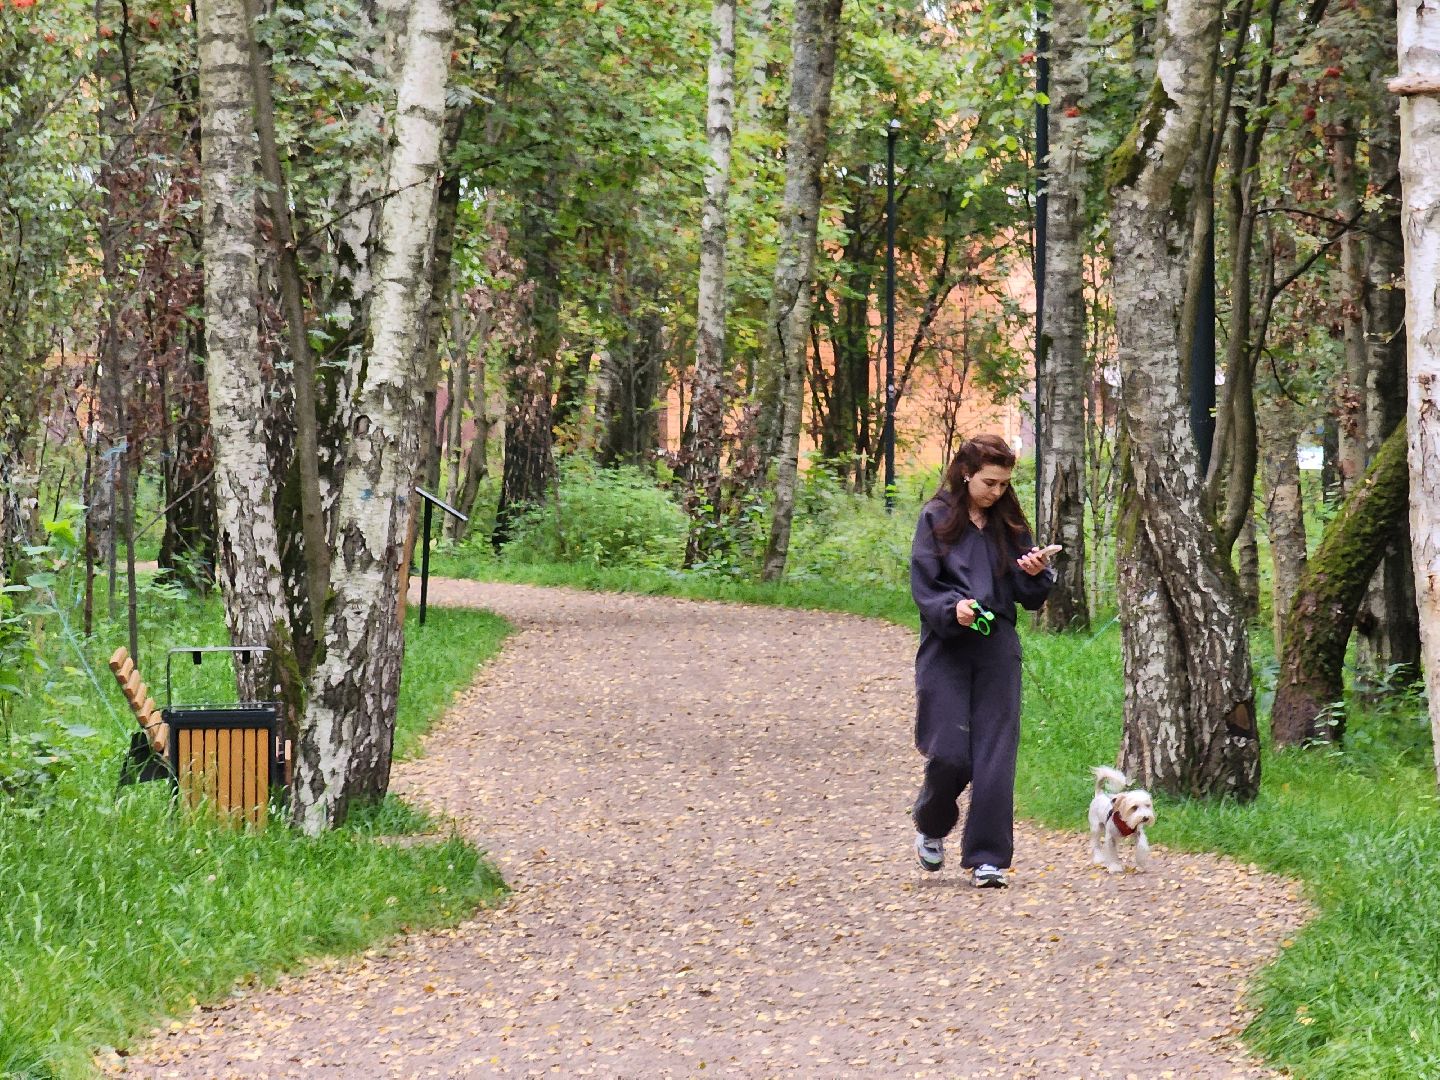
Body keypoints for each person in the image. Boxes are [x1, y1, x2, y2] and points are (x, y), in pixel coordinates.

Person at [909, 434, 1056, 888]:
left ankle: (988, 858)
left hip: (997, 647)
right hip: (947, 648)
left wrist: (1035, 575)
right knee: (951, 753)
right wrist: (952, 609)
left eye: (1004, 484)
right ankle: (931, 824)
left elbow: (1029, 596)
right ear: (966, 472)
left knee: (995, 754)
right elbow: (924, 588)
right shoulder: (935, 518)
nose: (996, 492)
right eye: (989, 482)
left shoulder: (1010, 525)